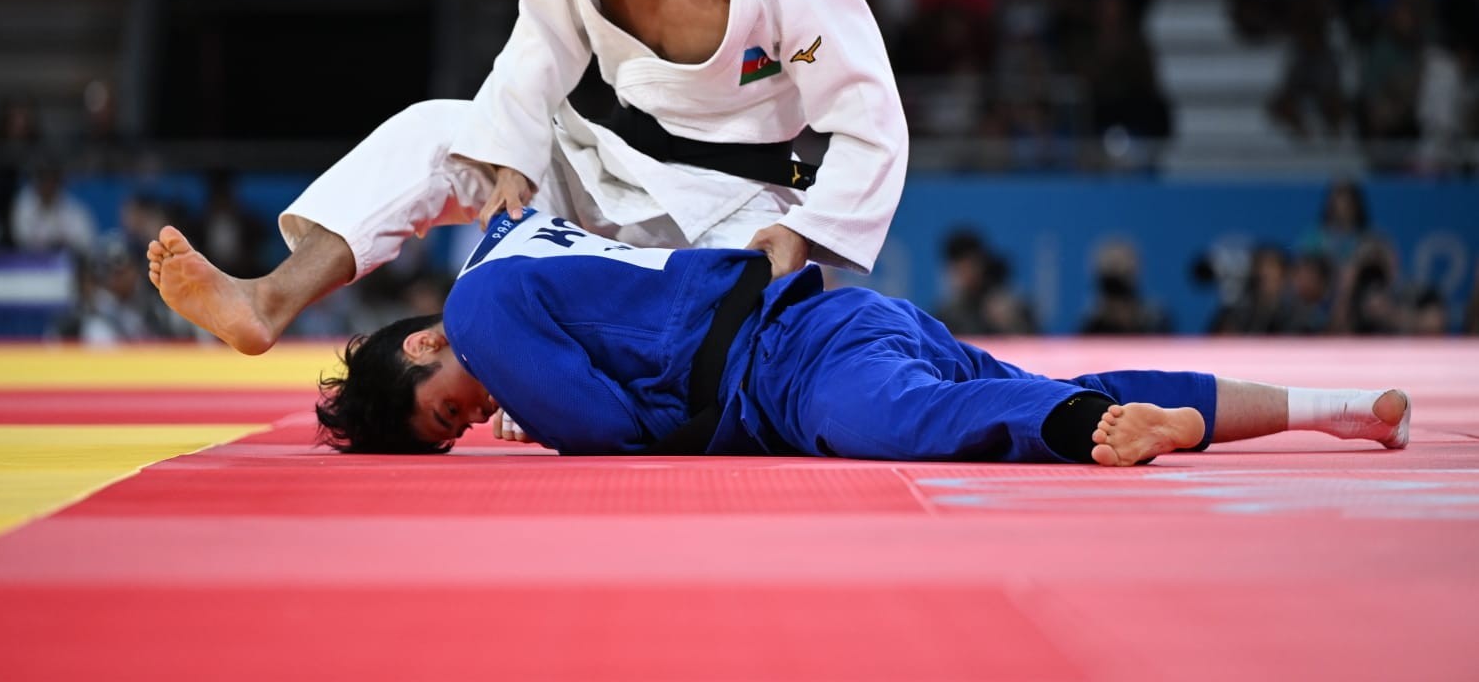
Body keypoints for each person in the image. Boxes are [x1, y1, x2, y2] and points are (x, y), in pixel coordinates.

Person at [152, 0, 908, 356]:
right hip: (597, 167)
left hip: (725, 213)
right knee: (436, 133)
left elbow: (871, 127)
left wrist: (803, 234)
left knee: (720, 326)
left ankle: (520, 359)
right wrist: (507, 155)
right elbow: (538, 47)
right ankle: (269, 302)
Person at [149, 209, 1412, 466]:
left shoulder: (481, 311)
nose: (474, 420)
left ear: (421, 344)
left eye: (447, 412)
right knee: (1009, 379)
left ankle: (1093, 432)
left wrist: (549, 423)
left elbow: (615, 435)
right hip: (830, 315)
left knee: (897, 429)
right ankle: (1326, 410)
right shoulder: (522, 245)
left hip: (798, 368)